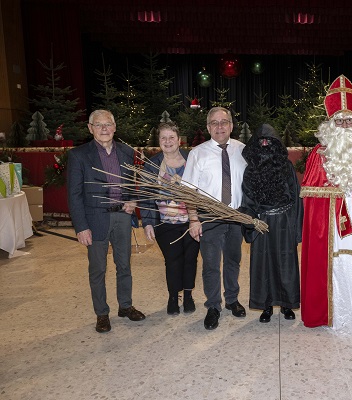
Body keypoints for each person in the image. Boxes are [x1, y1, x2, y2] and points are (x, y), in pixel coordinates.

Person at [300, 75, 352, 332]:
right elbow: (312, 200)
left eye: (349, 120)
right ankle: (334, 313)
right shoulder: (319, 154)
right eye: (340, 120)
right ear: (331, 123)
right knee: (335, 263)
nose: (345, 125)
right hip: (331, 227)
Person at [67, 109, 146, 333]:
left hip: (122, 217)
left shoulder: (126, 151)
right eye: (99, 125)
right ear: (90, 128)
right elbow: (74, 194)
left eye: (108, 124)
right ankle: (102, 313)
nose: (104, 129)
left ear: (115, 127)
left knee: (124, 265)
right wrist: (81, 227)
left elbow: (131, 183)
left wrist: (133, 200)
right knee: (98, 269)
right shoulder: (79, 155)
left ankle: (125, 306)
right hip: (95, 220)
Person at [181, 107, 247, 330]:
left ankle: (232, 300)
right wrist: (193, 219)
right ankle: (213, 306)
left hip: (236, 216)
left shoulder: (242, 150)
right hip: (209, 217)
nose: (220, 127)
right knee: (210, 264)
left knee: (233, 261)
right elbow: (188, 190)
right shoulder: (197, 154)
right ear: (208, 127)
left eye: (224, 122)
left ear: (231, 125)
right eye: (215, 123)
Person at [240, 124, 303, 323]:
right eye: (261, 141)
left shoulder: (286, 167)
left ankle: (286, 304)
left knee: (285, 263)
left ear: (276, 144)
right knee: (263, 265)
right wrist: (250, 221)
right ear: (256, 145)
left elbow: (296, 197)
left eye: (269, 141)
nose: (265, 144)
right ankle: (266, 305)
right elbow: (247, 200)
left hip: (284, 221)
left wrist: (296, 228)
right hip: (262, 222)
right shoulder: (250, 171)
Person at [140, 122, 200, 315]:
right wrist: (148, 222)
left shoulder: (191, 159)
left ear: (178, 139)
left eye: (171, 137)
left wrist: (198, 218)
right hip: (165, 223)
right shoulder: (152, 164)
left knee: (190, 259)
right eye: (163, 138)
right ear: (159, 141)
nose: (167, 141)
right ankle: (173, 296)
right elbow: (146, 195)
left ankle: (188, 295)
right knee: (172, 260)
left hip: (192, 221)